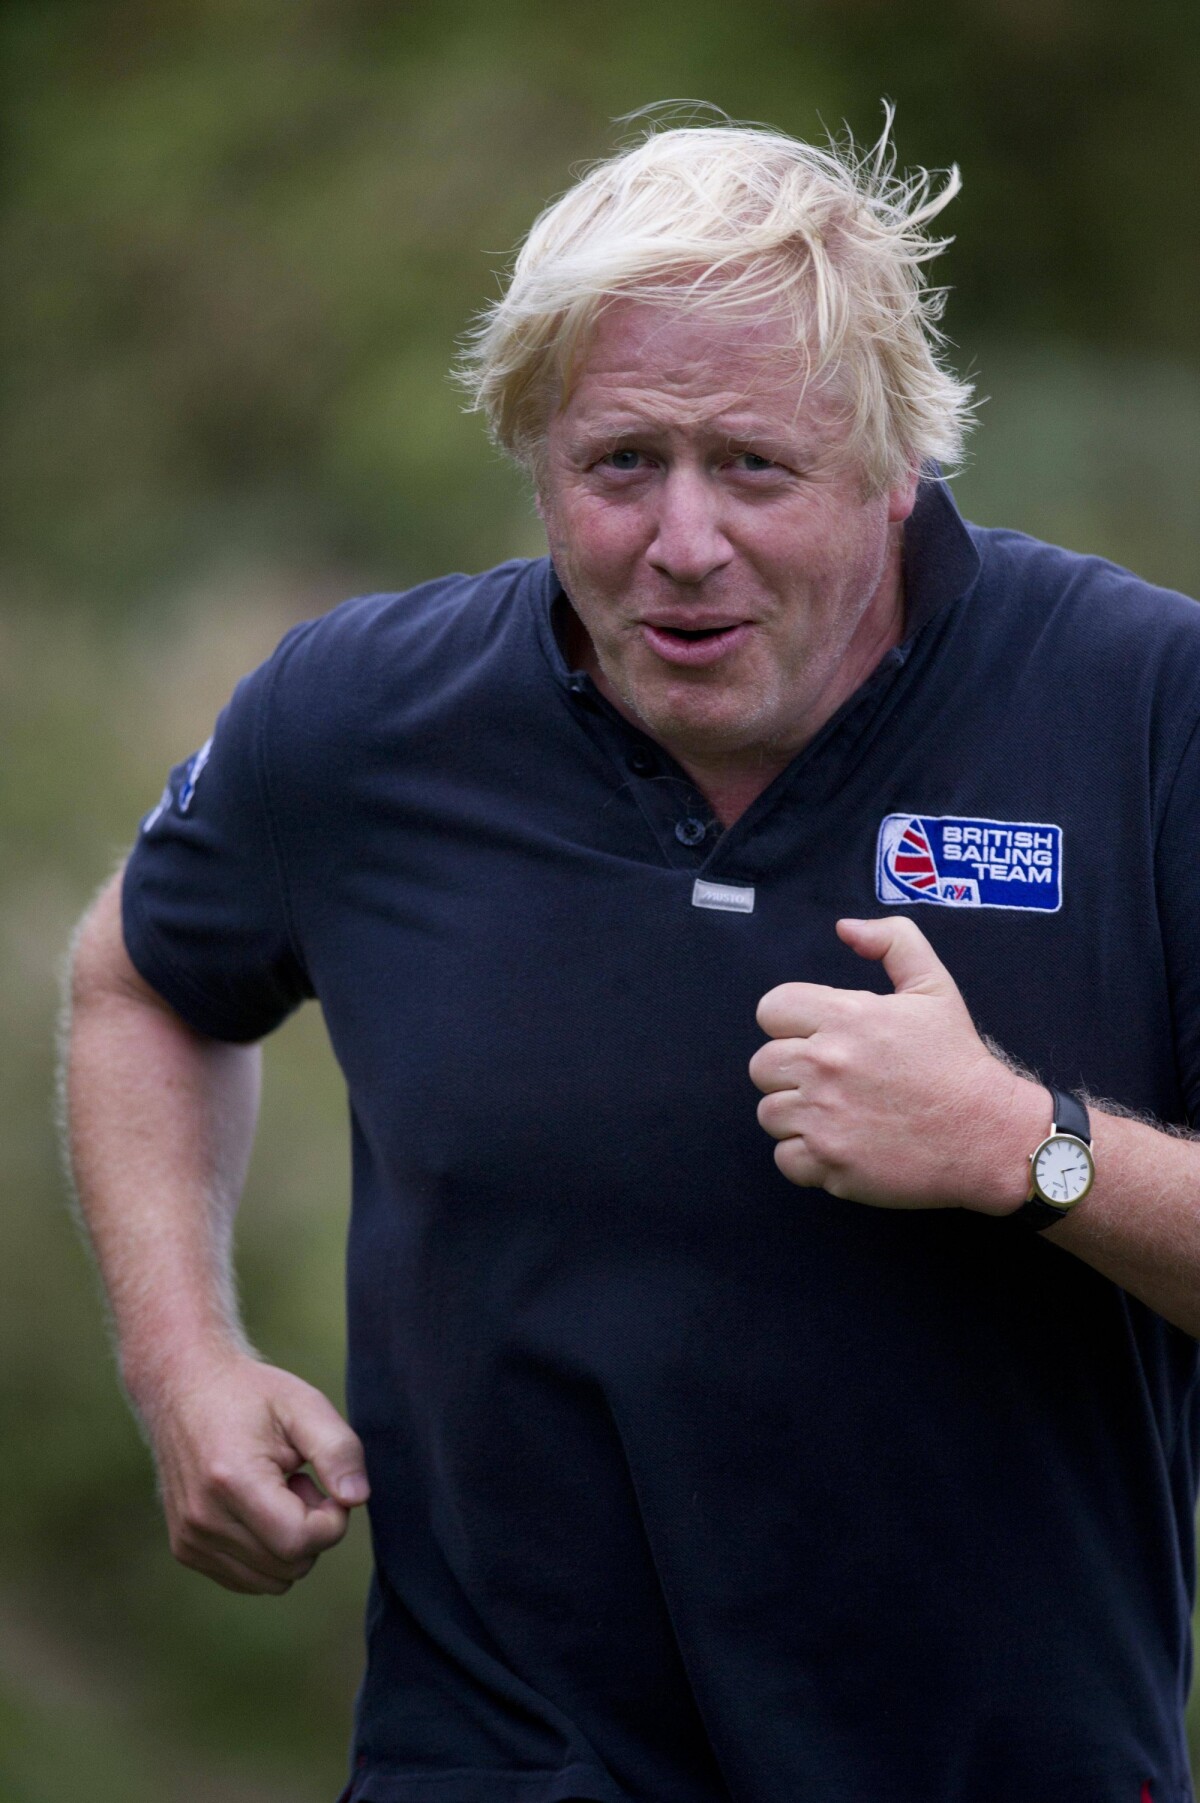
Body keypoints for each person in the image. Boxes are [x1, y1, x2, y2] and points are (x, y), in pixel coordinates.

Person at [64, 111, 1200, 1803]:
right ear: (535, 455)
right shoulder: (365, 720)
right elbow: (139, 981)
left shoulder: (1141, 707)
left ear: (896, 462)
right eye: (619, 465)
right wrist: (186, 1365)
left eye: (753, 466)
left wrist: (1021, 1148)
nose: (681, 544)